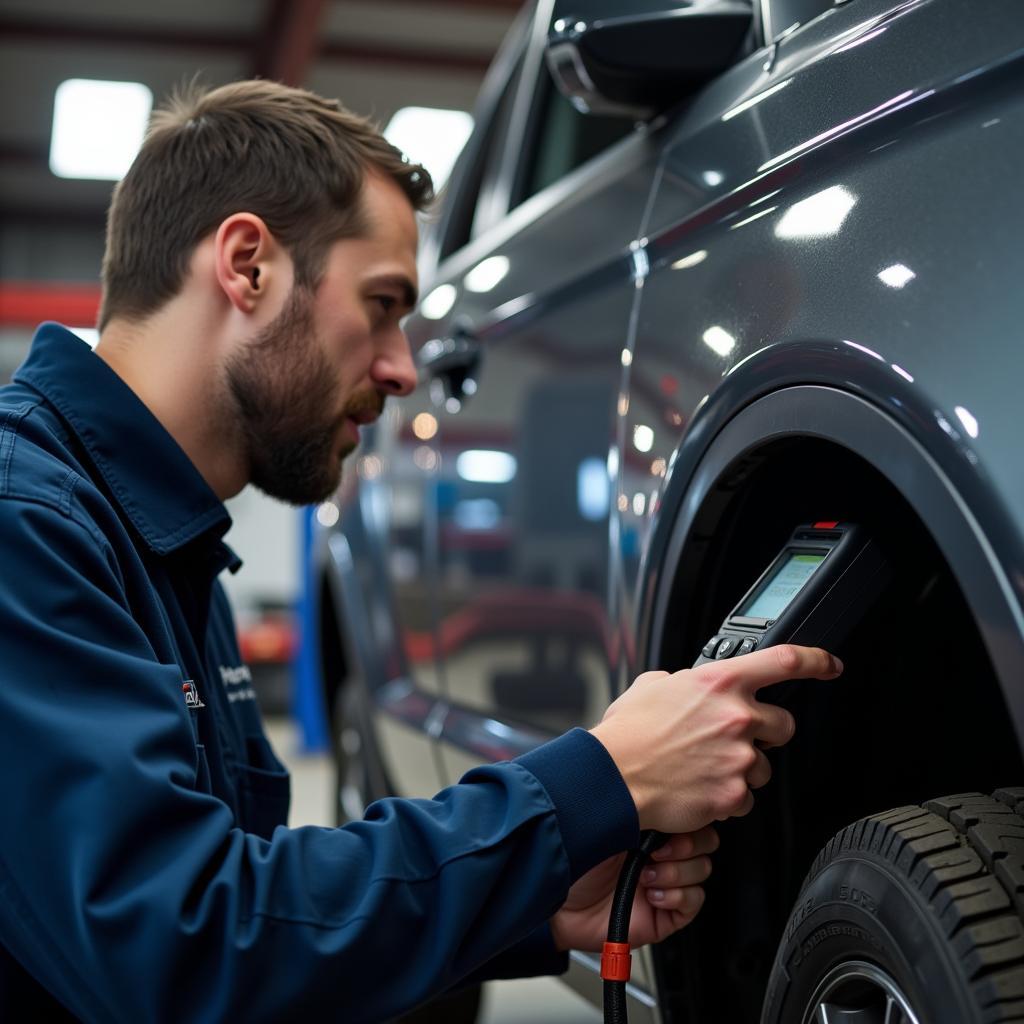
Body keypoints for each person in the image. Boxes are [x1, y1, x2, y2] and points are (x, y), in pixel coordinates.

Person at [0, 80, 842, 1022]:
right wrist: (597, 781)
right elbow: (181, 949)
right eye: (384, 303)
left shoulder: (162, 545)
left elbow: (252, 907)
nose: (406, 369)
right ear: (247, 266)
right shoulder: (24, 524)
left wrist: (540, 909)